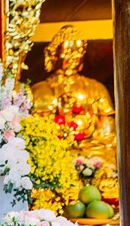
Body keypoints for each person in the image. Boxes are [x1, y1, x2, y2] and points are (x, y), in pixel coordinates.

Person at [31, 25, 118, 199]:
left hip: (91, 151)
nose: (73, 57)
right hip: (55, 152)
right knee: (40, 160)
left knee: (107, 160)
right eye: (67, 52)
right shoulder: (40, 91)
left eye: (78, 51)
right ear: (55, 54)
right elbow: (35, 135)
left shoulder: (96, 88)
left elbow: (108, 136)